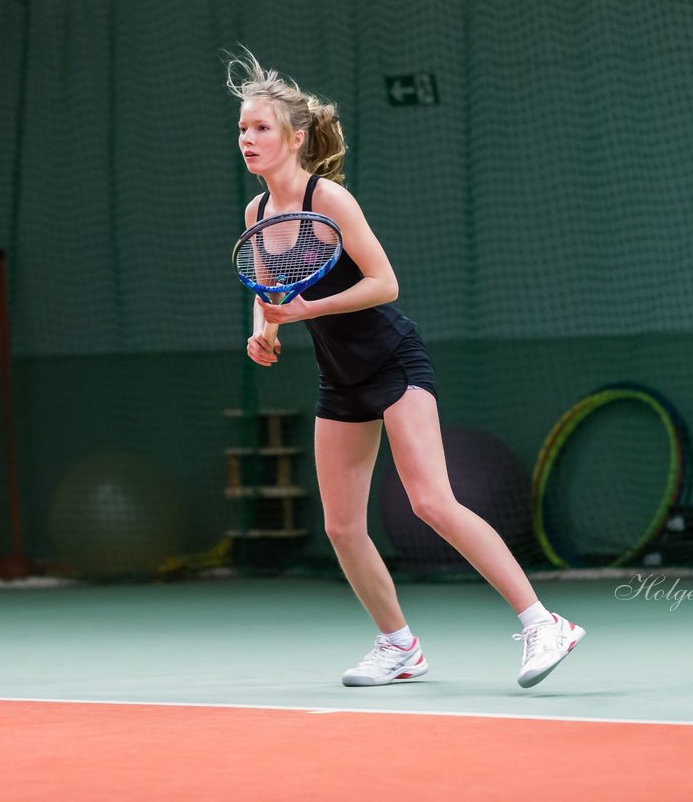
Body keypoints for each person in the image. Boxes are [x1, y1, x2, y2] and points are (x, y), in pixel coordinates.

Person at [228, 50, 584, 688]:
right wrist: (262, 335)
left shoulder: (328, 197)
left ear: (294, 137)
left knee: (431, 501)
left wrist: (313, 307)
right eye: (242, 129)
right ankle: (399, 647)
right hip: (339, 376)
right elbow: (270, 292)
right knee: (341, 526)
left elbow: (385, 283)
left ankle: (542, 623)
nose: (247, 140)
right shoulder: (257, 216)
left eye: (259, 128)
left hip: (393, 359)